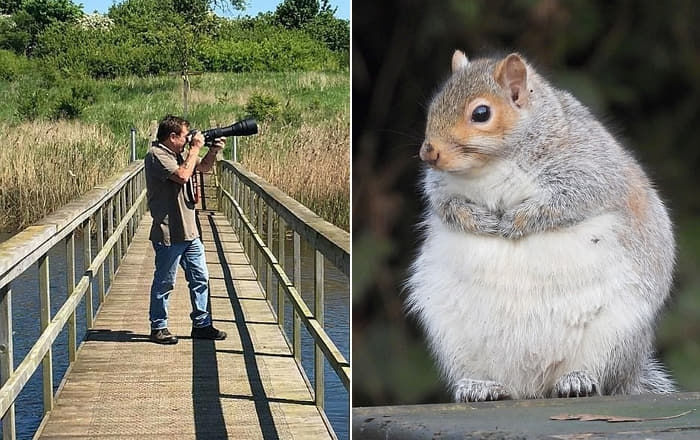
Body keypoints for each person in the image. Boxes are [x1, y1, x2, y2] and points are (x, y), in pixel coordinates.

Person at [144, 115, 227, 344]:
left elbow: (203, 168)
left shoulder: (179, 154)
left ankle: (201, 324)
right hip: (169, 231)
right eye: (184, 136)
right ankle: (158, 327)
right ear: (172, 137)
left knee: (201, 278)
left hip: (190, 231)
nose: (188, 139)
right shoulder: (157, 155)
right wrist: (195, 148)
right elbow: (182, 175)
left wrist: (211, 151)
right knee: (165, 282)